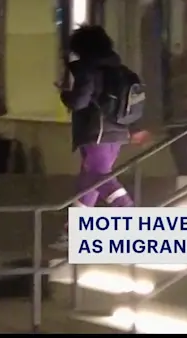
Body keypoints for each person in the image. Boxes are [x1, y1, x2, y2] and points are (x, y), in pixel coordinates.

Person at [50, 25, 139, 250]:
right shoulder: (122, 70)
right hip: (118, 131)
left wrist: (64, 93)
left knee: (98, 177)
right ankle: (74, 232)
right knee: (88, 179)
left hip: (96, 131)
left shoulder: (88, 70)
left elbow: (79, 102)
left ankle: (128, 214)